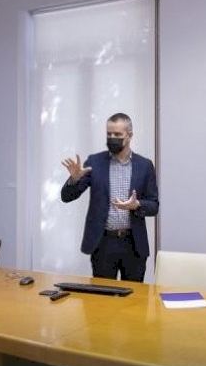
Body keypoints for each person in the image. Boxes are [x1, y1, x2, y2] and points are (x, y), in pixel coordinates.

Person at [61, 113, 159, 282]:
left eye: (117, 134)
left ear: (129, 135)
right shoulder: (95, 162)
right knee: (103, 295)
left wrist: (136, 205)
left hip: (134, 244)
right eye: (109, 134)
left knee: (134, 296)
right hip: (103, 243)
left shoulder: (145, 165)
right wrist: (74, 180)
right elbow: (67, 197)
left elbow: (154, 205)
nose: (112, 138)